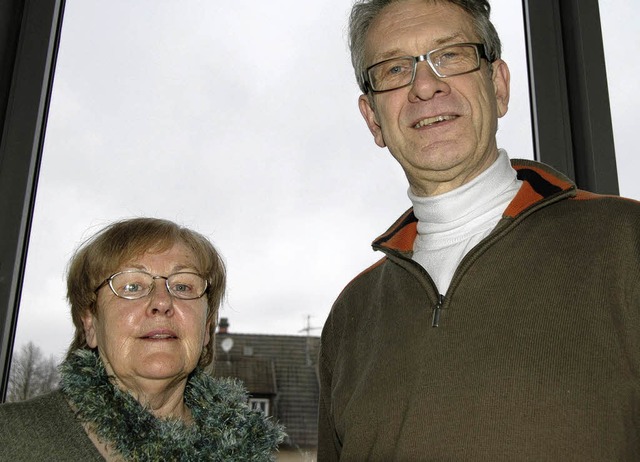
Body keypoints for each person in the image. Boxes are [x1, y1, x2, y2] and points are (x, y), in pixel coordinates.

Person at [317, 0, 640, 460]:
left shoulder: (627, 242)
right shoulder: (350, 317)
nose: (425, 86)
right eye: (394, 69)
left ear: (499, 85)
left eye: (451, 55)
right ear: (373, 119)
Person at [0, 217, 284, 461]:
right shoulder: (9, 438)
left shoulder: (249, 451)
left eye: (183, 285)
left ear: (207, 327)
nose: (162, 302)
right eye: (132, 285)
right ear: (90, 323)